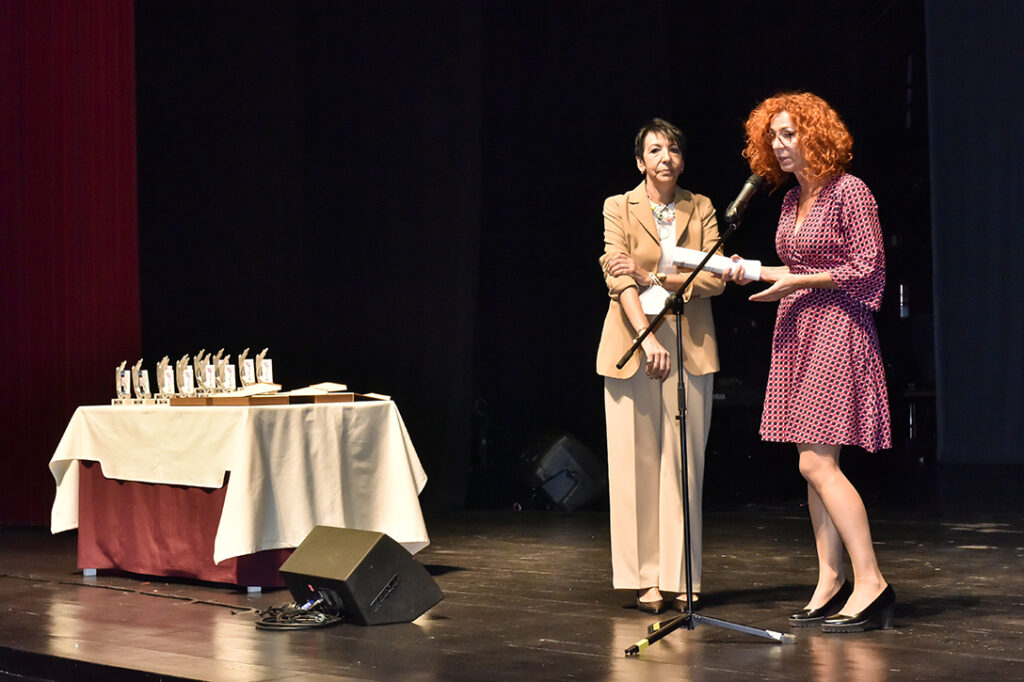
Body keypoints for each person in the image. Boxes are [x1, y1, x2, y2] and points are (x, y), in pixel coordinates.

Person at [721, 92, 894, 633]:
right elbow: (797, 265)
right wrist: (759, 272)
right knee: (811, 465)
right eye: (772, 136)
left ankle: (872, 582)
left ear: (815, 136)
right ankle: (829, 580)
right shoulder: (791, 199)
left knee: (818, 463)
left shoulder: (851, 191)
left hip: (837, 329)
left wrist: (794, 280)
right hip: (797, 330)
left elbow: (869, 268)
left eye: (789, 134)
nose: (779, 144)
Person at [597, 118, 725, 614]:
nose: (664, 157)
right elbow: (615, 274)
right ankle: (643, 577)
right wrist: (648, 335)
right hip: (632, 343)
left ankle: (680, 574)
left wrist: (651, 272)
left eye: (672, 149)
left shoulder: (703, 208)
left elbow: (714, 278)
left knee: (684, 463)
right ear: (639, 161)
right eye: (654, 150)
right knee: (634, 465)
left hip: (691, 343)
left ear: (682, 160)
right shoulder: (617, 207)